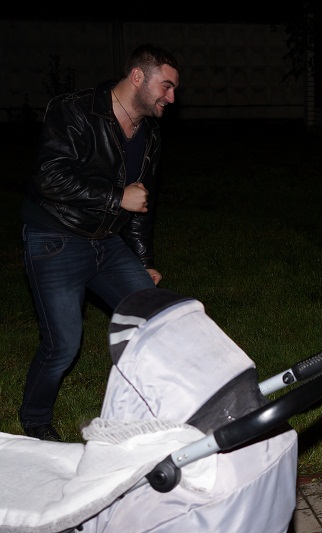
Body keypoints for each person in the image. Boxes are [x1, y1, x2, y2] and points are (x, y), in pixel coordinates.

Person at [19, 44, 180, 442]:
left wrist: (144, 259)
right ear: (138, 77)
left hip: (107, 243)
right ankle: (35, 421)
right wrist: (116, 197)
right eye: (166, 86)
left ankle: (145, 412)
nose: (171, 97)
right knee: (63, 345)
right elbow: (49, 176)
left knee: (155, 320)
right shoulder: (75, 110)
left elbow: (141, 204)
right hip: (56, 239)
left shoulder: (150, 134)